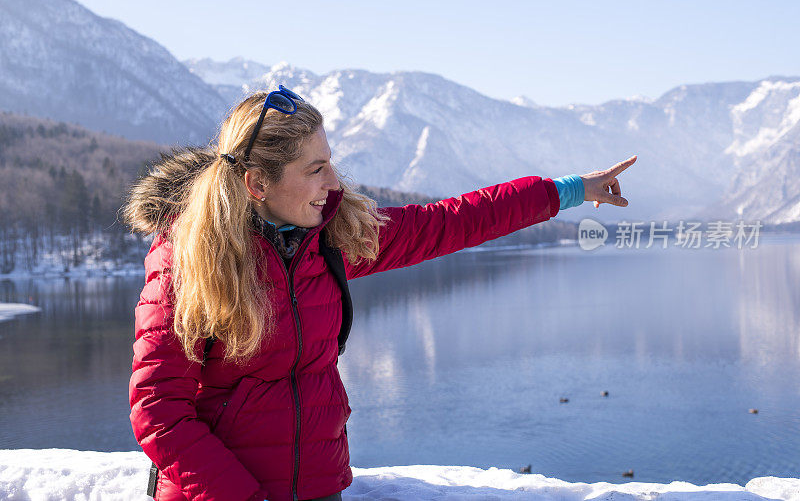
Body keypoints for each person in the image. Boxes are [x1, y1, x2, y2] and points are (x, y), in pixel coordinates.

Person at [122, 85, 636, 501]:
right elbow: (157, 409)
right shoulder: (189, 263)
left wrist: (569, 190)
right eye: (315, 169)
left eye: (330, 161)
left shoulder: (331, 239)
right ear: (257, 184)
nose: (332, 181)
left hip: (317, 490)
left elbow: (453, 221)